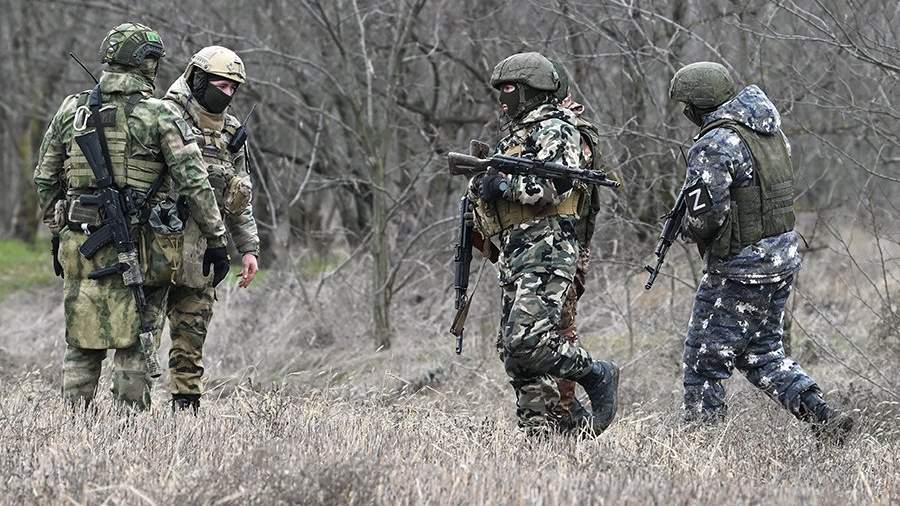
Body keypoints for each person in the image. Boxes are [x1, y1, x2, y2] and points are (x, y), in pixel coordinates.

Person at [33, 23, 228, 410]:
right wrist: (218, 240)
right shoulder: (158, 116)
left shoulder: (73, 110)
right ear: (148, 64)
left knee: (82, 339)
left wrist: (58, 229)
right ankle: (127, 426)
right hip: (140, 246)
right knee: (137, 338)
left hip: (79, 241)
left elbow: (45, 177)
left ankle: (75, 423)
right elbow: (195, 183)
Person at [669, 61, 853, 441]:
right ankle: (823, 418)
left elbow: (708, 215)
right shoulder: (770, 132)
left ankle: (702, 448)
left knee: (704, 359)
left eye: (686, 104)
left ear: (698, 104)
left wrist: (688, 228)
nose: (685, 112)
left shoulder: (715, 143)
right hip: (780, 259)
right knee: (764, 352)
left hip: (739, 268)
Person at [468, 51, 619, 435]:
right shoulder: (517, 134)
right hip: (518, 251)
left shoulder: (557, 126)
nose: (503, 98)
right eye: (499, 89)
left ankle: (596, 373)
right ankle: (545, 433)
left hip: (548, 247)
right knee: (515, 354)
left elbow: (554, 186)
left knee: (527, 341)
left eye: (509, 89)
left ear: (531, 90)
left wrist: (500, 183)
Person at [162, 46, 260, 413]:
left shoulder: (232, 131)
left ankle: (185, 408)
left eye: (234, 88)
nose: (228, 93)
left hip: (205, 251)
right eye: (221, 84)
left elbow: (239, 195)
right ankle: (129, 413)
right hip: (159, 245)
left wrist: (248, 249)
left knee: (192, 334)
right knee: (142, 335)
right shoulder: (164, 117)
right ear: (198, 78)